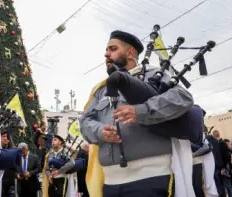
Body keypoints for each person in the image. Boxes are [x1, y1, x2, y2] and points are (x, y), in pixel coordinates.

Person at [80, 30, 194, 197]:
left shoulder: (153, 75)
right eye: (106, 50)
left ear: (130, 53)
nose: (106, 54)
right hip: (110, 183)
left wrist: (141, 111)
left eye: (112, 49)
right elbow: (84, 122)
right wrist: (100, 131)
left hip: (150, 179)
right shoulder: (101, 89)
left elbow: (183, 98)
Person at [206, 130, 228, 197]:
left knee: (215, 186)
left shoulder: (206, 142)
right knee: (221, 185)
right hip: (219, 166)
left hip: (211, 167)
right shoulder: (216, 141)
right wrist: (223, 166)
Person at [1, 130, 17, 197]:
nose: (5, 138)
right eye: (3, 136)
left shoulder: (13, 151)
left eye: (6, 136)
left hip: (11, 183)